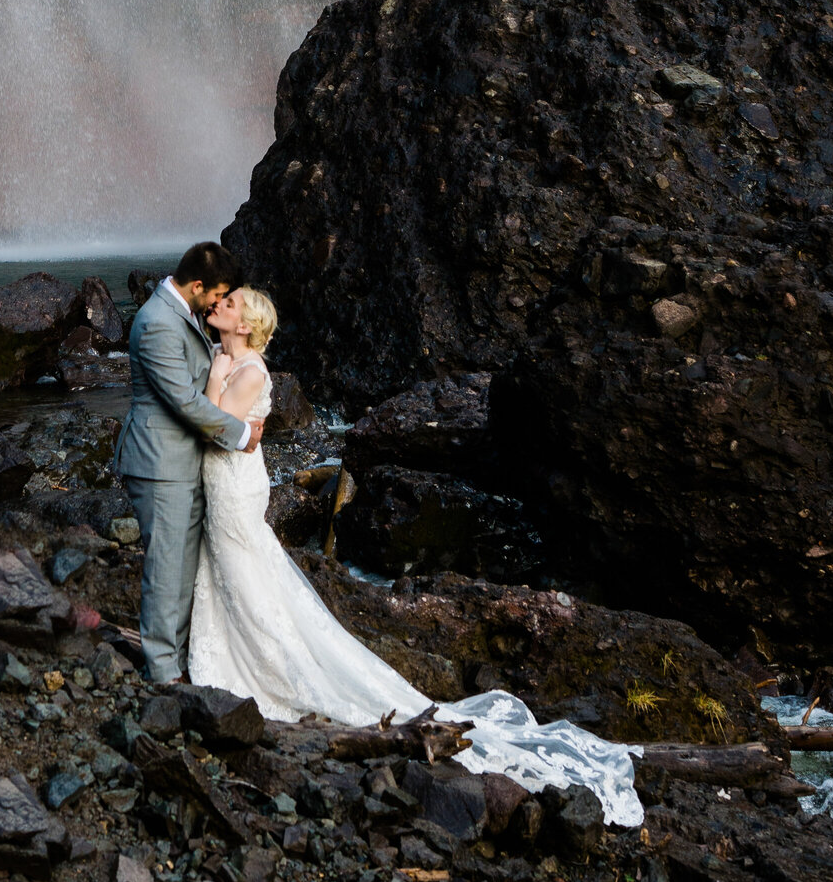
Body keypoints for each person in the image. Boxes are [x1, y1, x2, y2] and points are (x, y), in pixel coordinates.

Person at [185, 284, 643, 827]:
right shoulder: (224, 354)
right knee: (236, 574)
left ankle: (270, 674)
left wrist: (214, 381)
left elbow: (216, 430)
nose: (221, 306)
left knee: (246, 573)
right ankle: (227, 659)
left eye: (231, 304)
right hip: (223, 485)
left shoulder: (250, 371)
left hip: (235, 488)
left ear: (247, 323)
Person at [113, 242, 265, 685]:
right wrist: (240, 434)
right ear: (197, 286)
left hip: (184, 460)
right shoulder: (158, 321)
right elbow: (182, 401)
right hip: (160, 461)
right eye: (217, 294)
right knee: (166, 566)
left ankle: (175, 660)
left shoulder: (183, 311)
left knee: (182, 566)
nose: (219, 302)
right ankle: (162, 671)